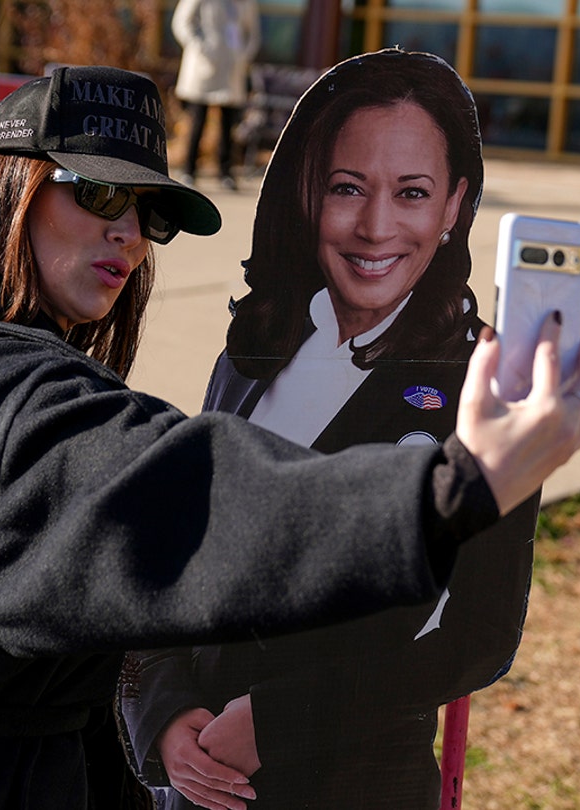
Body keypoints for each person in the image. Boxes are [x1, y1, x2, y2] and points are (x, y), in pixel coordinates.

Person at [0, 64, 580, 810]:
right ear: (8, 194)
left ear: (455, 204)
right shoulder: (22, 410)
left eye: (147, 212)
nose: (127, 234)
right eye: (96, 194)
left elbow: (127, 582)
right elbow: (212, 504)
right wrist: (462, 485)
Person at [120, 50, 537, 810]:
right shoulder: (256, 347)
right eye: (348, 188)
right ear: (306, 191)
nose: (376, 228)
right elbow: (174, 558)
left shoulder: (485, 384)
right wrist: (163, 715)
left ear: (454, 205)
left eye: (413, 193)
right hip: (195, 783)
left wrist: (277, 722)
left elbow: (480, 634)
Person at [172, 0, 261, 190]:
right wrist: (200, 47)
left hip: (231, 71)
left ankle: (225, 172)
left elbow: (253, 34)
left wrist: (242, 55)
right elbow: (181, 23)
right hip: (204, 68)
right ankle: (189, 170)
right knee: (198, 120)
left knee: (228, 124)